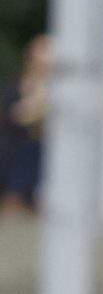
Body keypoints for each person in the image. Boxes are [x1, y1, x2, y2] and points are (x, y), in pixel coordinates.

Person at [2, 36, 52, 216]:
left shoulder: (60, 87)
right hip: (19, 148)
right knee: (14, 199)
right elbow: (14, 116)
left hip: (47, 149)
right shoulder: (17, 84)